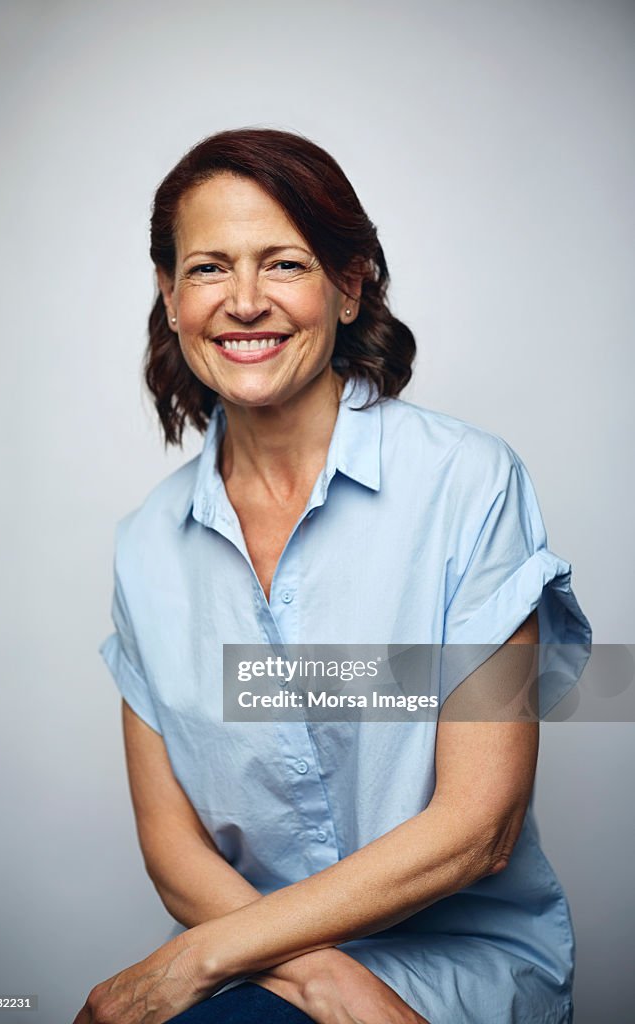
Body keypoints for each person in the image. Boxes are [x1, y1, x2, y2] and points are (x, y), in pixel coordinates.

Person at [74, 128, 591, 1024]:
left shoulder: (470, 484)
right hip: (255, 965)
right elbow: (172, 849)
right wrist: (321, 980)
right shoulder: (144, 548)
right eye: (206, 270)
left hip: (457, 966)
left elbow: (481, 827)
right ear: (169, 296)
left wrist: (199, 961)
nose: (243, 302)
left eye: (283, 263)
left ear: (349, 287)